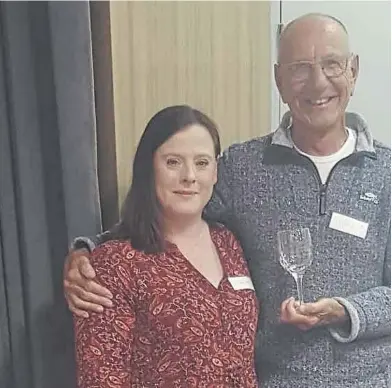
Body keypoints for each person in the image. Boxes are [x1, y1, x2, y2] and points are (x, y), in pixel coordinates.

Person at [64, 13, 391, 388]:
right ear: (279, 80)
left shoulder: (387, 173)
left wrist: (345, 311)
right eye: (300, 68)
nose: (318, 82)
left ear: (353, 71)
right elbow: (170, 210)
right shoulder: (242, 167)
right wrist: (87, 251)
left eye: (332, 64)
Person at [72, 105, 259, 387]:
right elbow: (102, 377)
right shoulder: (115, 264)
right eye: (173, 162)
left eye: (202, 163)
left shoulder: (227, 242)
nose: (189, 176)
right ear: (148, 168)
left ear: (216, 173)